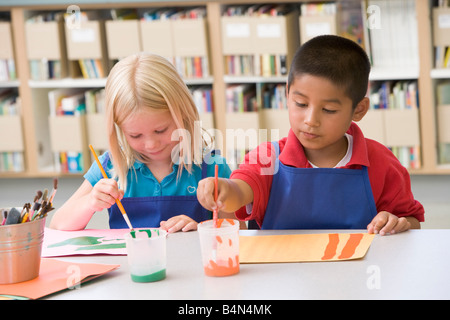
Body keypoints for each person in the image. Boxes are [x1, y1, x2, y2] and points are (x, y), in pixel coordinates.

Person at [197, 35, 424, 235]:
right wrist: (224, 189)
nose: (310, 120)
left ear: (359, 109)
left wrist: (396, 223)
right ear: (287, 94)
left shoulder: (381, 163)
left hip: (355, 279)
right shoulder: (267, 157)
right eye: (301, 103)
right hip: (282, 278)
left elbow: (412, 223)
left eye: (329, 110)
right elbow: (240, 190)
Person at [50, 53, 231, 232]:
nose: (151, 144)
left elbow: (238, 233)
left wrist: (201, 229)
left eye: (160, 130)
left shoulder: (213, 168)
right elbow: (58, 225)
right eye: (135, 135)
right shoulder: (111, 166)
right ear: (119, 129)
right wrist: (90, 203)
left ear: (183, 114)